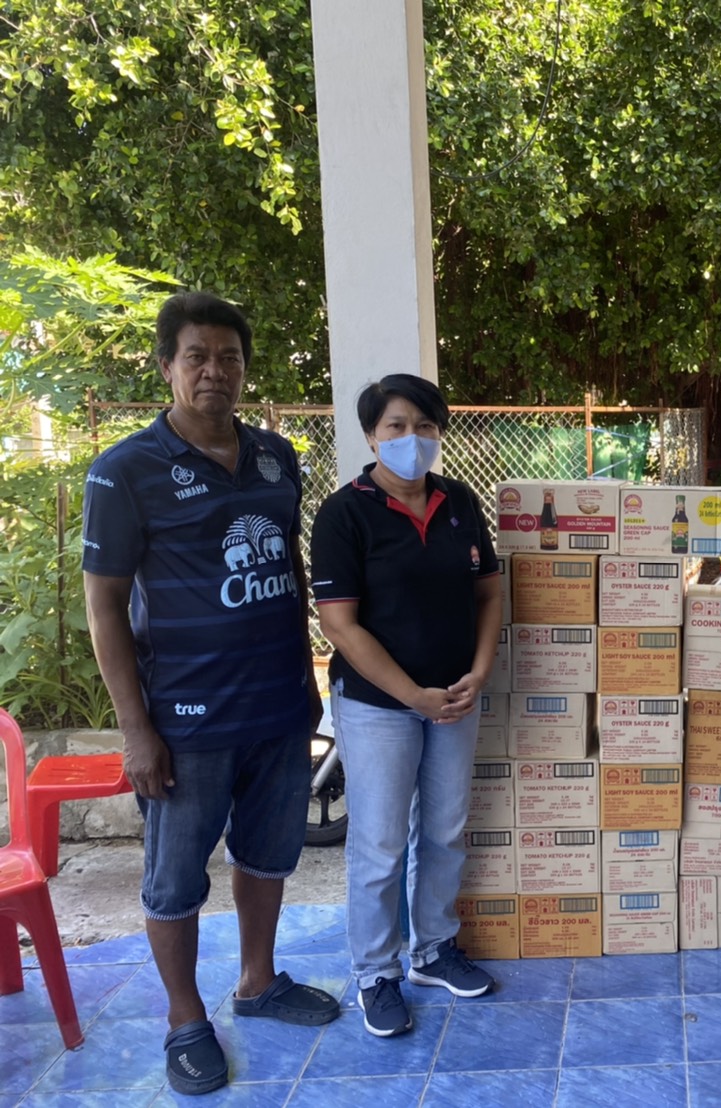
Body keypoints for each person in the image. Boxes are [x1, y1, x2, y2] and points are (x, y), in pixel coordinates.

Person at [82, 292, 338, 1097]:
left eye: (229, 358)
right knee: (174, 878)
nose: (214, 372)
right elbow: (104, 606)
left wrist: (307, 678)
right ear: (167, 366)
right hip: (185, 720)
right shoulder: (125, 472)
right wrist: (136, 731)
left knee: (268, 856)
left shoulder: (275, 456)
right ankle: (184, 1017)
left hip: (276, 706)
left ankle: (258, 983)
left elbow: (289, 576)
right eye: (197, 356)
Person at [310, 374, 502, 1039]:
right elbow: (341, 625)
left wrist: (478, 672)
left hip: (455, 697)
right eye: (396, 426)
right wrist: (412, 695)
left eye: (424, 427)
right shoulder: (345, 514)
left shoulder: (459, 501)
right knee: (381, 841)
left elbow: (488, 593)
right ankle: (376, 973)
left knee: (445, 829)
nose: (411, 440)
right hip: (377, 706)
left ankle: (432, 951)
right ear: (371, 436)